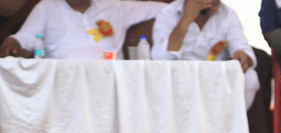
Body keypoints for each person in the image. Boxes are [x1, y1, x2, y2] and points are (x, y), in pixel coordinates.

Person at [151, 0, 259, 110]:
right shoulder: (169, 13)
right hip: (181, 77)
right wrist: (185, 20)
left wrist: (242, 56)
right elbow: (160, 60)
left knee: (250, 77)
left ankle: (231, 119)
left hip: (216, 77)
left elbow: (242, 48)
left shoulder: (228, 13)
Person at [1, 0, 163, 59]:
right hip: (63, 78)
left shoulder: (114, 6)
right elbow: (28, 35)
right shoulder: (48, 6)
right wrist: (14, 40)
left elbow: (164, 9)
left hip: (110, 77)